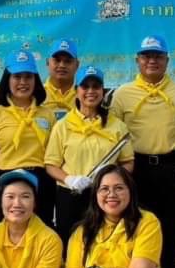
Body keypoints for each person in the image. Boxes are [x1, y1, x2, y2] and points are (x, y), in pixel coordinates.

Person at [109, 35, 175, 268]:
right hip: (136, 170)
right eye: (146, 56)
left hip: (172, 169)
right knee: (136, 236)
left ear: (167, 60)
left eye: (157, 56)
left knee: (172, 238)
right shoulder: (123, 94)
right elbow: (113, 134)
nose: (152, 61)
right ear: (137, 60)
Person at [44, 65, 134, 240]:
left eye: (96, 86)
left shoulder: (117, 126)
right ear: (76, 91)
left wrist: (111, 178)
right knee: (71, 242)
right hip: (71, 197)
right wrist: (69, 179)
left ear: (102, 91)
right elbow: (51, 165)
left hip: (106, 196)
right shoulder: (62, 126)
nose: (91, 91)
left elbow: (128, 162)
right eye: (85, 86)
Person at [0, 50, 56, 228]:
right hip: (5, 180)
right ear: (8, 79)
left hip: (41, 182)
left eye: (28, 77)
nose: (23, 82)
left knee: (40, 234)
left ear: (36, 80)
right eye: (17, 77)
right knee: (5, 234)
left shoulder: (47, 114)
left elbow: (53, 157)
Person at [43, 38, 79, 122]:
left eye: (68, 61)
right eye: (57, 60)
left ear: (77, 65)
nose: (62, 65)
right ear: (47, 62)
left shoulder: (85, 95)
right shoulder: (36, 94)